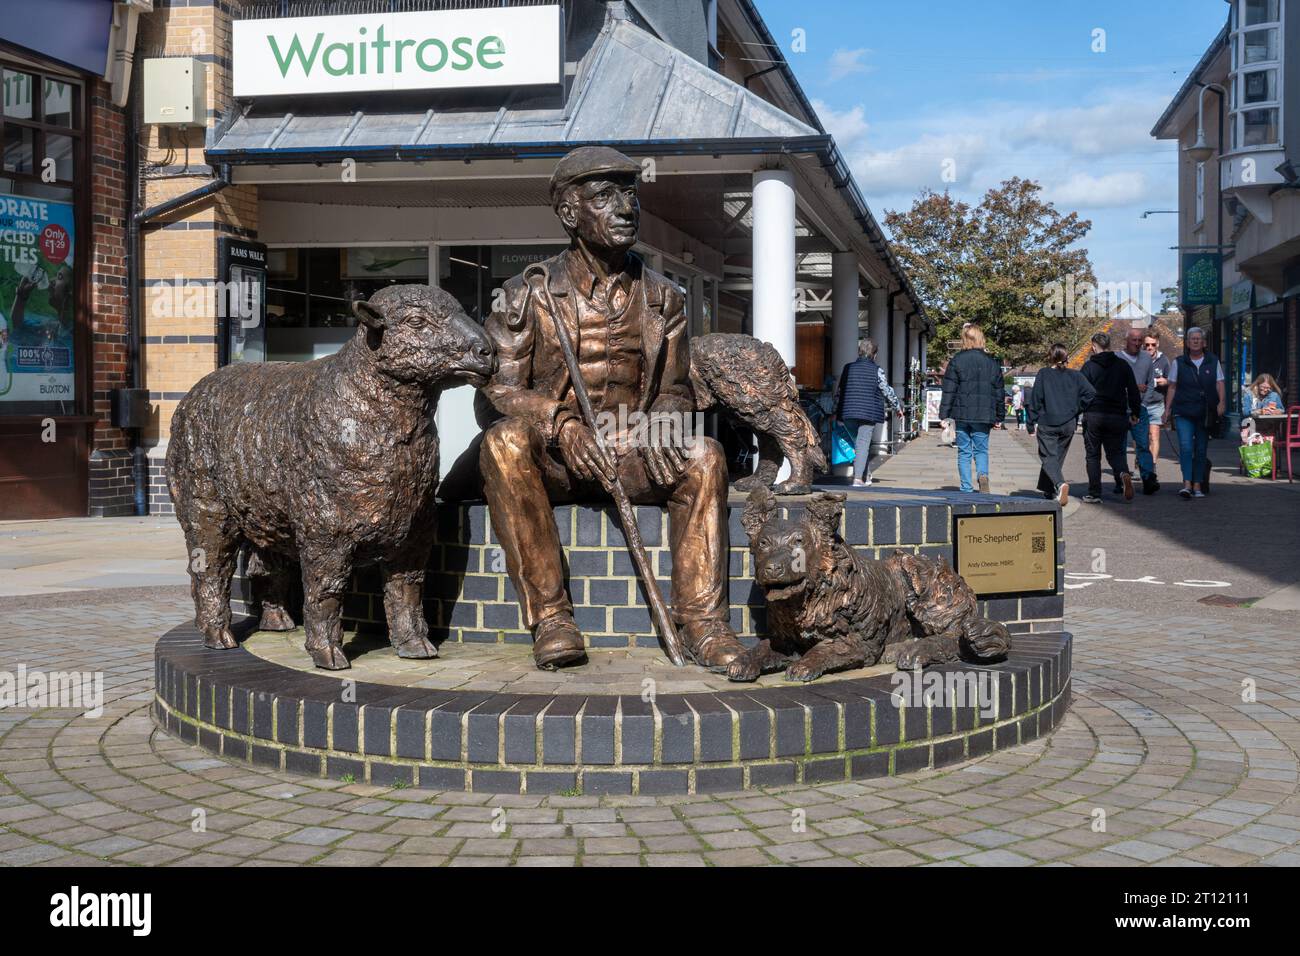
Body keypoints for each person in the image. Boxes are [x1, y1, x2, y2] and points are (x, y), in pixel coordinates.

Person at [476, 146, 744, 671]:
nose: (626, 208)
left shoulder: (664, 299)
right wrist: (561, 424)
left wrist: (662, 423)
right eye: (606, 197)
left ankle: (704, 624)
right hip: (557, 458)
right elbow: (497, 391)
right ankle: (552, 618)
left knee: (705, 455)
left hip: (631, 452)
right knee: (502, 442)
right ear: (570, 213)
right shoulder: (525, 294)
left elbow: (677, 387)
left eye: (631, 196)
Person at [1027, 343, 1095, 505]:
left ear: (1050, 357)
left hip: (1048, 422)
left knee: (1048, 457)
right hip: (1068, 424)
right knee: (1056, 458)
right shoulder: (1076, 376)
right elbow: (1091, 393)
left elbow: (1035, 399)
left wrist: (1030, 422)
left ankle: (1059, 485)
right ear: (1066, 358)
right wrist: (1077, 409)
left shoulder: (1044, 374)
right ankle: (1049, 490)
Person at [1162, 326, 1224, 500]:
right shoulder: (1179, 362)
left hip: (1205, 412)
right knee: (1186, 447)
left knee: (1201, 449)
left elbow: (1220, 383)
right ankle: (1187, 484)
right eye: (1192, 339)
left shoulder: (1213, 361)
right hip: (1183, 411)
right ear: (1187, 343)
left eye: (1199, 339)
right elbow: (1172, 386)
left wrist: (1222, 403)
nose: (1196, 341)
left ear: (1204, 342)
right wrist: (1167, 410)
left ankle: (1198, 484)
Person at [939, 323, 1003, 493]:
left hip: (961, 415)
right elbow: (999, 392)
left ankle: (966, 488)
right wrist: (999, 416)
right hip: (983, 415)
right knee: (981, 450)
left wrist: (944, 415)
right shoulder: (992, 363)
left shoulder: (956, 361)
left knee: (964, 452)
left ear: (964, 340)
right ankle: (983, 475)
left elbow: (949, 390)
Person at [1080, 331, 1141, 503]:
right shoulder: (1122, 365)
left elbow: (1080, 392)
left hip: (1094, 415)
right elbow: (1133, 390)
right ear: (1109, 346)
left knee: (1093, 455)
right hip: (1117, 415)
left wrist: (1079, 411)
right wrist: (1136, 412)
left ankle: (1094, 493)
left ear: (1094, 347)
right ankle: (1123, 473)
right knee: (1115, 453)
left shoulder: (1088, 367)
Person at [833, 337, 899, 487]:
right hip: (868, 413)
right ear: (874, 354)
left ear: (859, 351)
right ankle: (857, 479)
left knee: (859, 445)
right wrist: (897, 406)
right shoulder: (877, 370)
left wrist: (834, 411)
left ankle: (866, 476)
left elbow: (839, 392)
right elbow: (887, 391)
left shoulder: (847, 368)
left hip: (848, 412)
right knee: (862, 445)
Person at [1115, 328, 1160, 495]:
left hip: (1139, 408)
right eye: (1134, 340)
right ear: (1126, 341)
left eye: (1140, 340)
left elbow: (1151, 383)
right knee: (1119, 446)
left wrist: (1145, 403)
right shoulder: (1117, 359)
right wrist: (1133, 389)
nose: (1137, 343)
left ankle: (1148, 479)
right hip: (1119, 409)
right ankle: (1121, 480)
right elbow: (1113, 385)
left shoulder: (1146, 358)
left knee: (1142, 444)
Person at [1142, 334, 1170, 465]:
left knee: (1154, 435)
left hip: (1157, 403)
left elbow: (1171, 381)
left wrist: (1165, 381)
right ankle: (1140, 465)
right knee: (1141, 438)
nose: (1150, 347)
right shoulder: (1138, 359)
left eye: (1153, 344)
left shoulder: (1164, 360)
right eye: (1147, 345)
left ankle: (1152, 466)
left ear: (1157, 344)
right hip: (1141, 403)